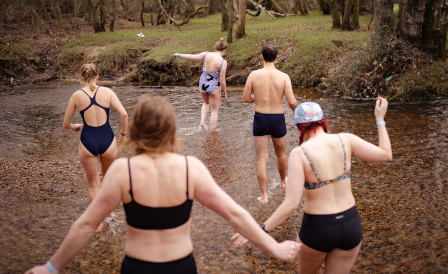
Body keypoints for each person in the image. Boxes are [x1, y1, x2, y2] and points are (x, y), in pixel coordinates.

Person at [26, 95, 299, 274]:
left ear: (136, 130)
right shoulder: (190, 168)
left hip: (137, 267)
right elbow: (234, 214)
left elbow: (87, 224)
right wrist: (274, 248)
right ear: (171, 129)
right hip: (181, 266)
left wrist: (51, 267)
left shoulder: (123, 171)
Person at [232, 97, 393, 274]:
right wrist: (380, 118)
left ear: (300, 126)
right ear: (322, 121)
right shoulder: (345, 140)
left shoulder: (300, 153)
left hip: (318, 228)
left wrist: (259, 230)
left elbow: (291, 205)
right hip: (350, 225)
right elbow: (386, 155)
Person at [62, 63, 128, 204]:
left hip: (88, 140)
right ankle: (110, 216)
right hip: (108, 140)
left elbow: (66, 124)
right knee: (108, 181)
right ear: (97, 77)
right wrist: (123, 135)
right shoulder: (108, 92)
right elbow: (124, 114)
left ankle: (98, 224)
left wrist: (75, 127)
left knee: (94, 186)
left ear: (81, 77)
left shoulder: (76, 96)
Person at [242, 44, 298, 203]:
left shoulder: (253, 75)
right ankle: (282, 182)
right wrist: (296, 111)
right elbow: (292, 101)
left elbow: (246, 98)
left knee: (261, 158)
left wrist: (258, 98)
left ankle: (264, 195)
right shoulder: (284, 77)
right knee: (281, 153)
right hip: (278, 118)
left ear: (261, 57)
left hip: (260, 118)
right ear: (277, 58)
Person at [173, 37, 228, 131]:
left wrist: (179, 54)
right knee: (214, 110)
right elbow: (222, 80)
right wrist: (224, 92)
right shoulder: (223, 62)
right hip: (214, 87)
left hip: (202, 84)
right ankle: (212, 130)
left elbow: (192, 57)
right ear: (224, 50)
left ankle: (202, 122)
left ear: (215, 48)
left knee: (206, 103)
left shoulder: (206, 54)